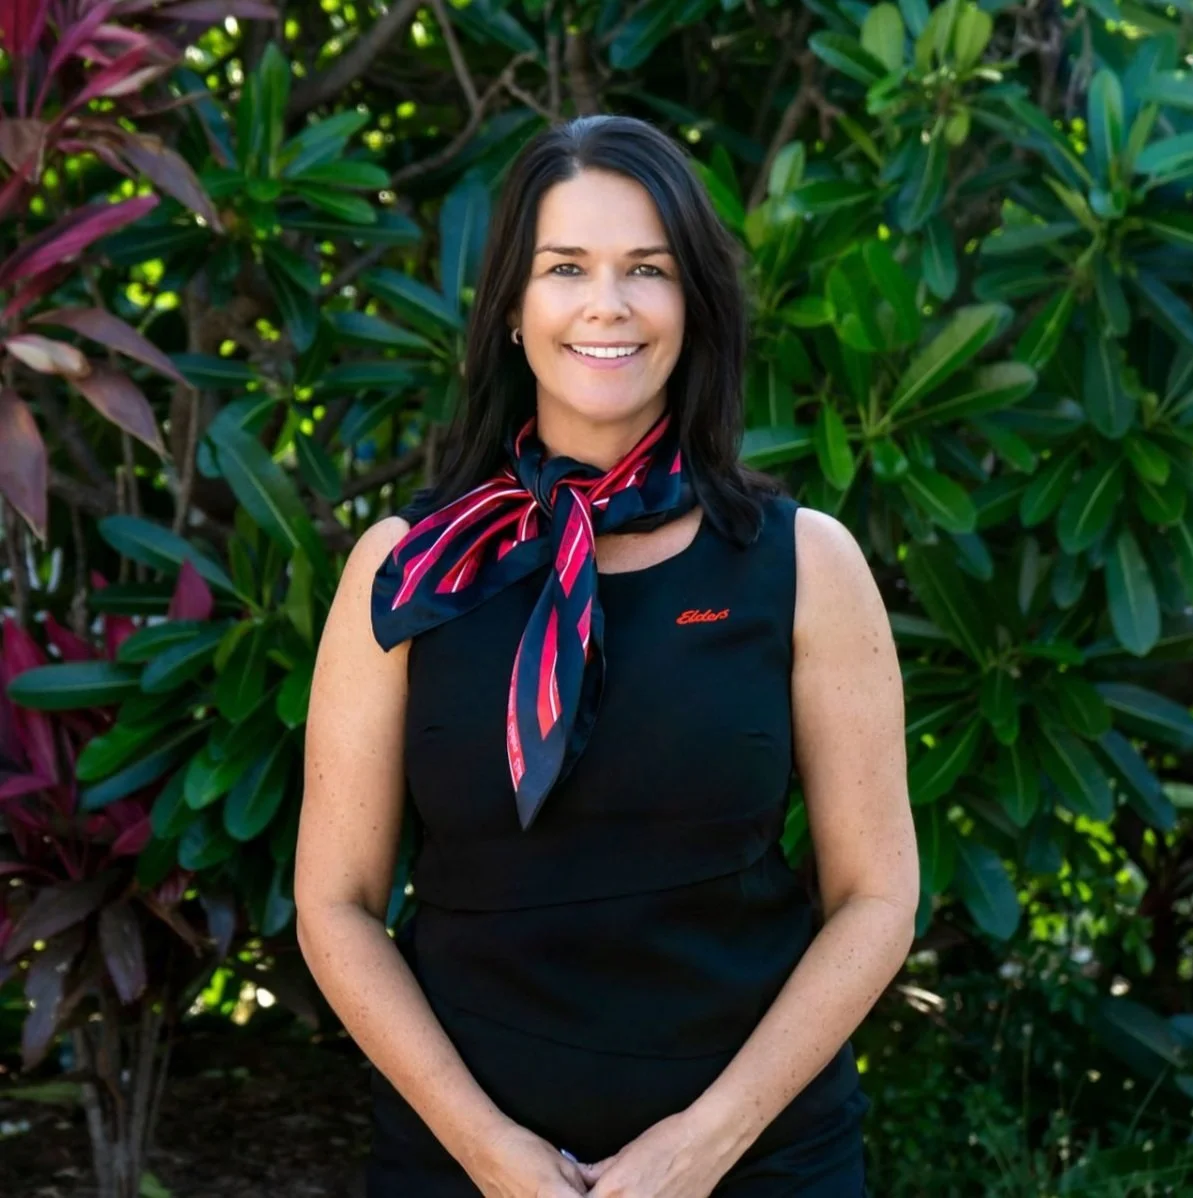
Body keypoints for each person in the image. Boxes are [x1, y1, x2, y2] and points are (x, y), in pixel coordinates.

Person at [295, 114, 918, 1198]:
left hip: (759, 1164)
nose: (607, 304)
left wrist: (701, 1145)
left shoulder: (802, 564)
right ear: (510, 311)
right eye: (565, 267)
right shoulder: (405, 573)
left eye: (647, 269)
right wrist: (491, 1154)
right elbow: (336, 904)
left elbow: (876, 896)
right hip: (460, 1164)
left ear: (695, 307)